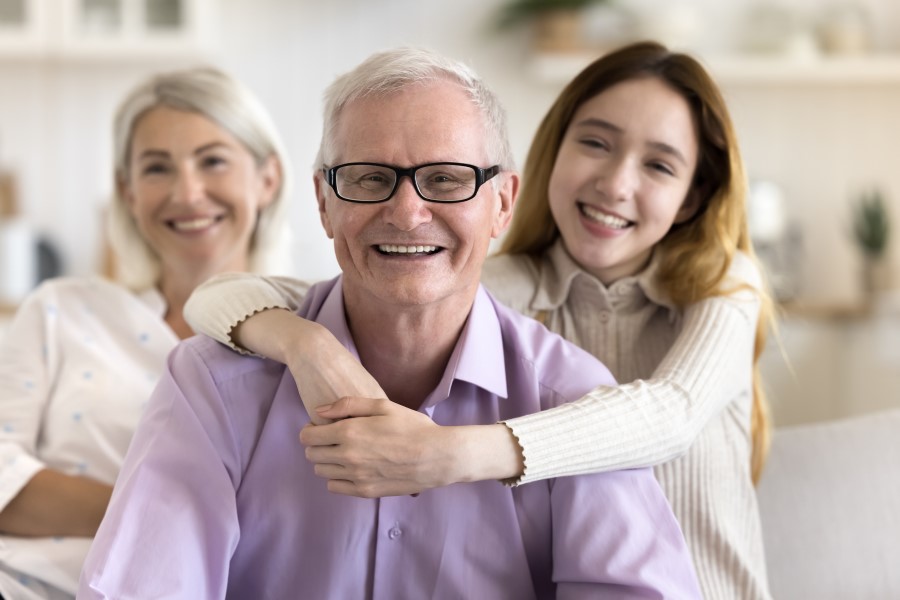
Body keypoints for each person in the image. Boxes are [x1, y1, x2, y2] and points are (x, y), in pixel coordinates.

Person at [79, 47, 701, 598]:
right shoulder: (211, 387)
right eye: (370, 178)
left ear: (503, 203)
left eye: (446, 179)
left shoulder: (571, 403)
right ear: (324, 203)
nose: (406, 213)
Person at [0, 67, 290, 599]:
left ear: (267, 179)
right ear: (127, 192)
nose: (188, 192)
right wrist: (178, 516)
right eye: (157, 167)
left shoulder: (312, 338)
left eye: (213, 161)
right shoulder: (61, 312)